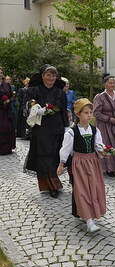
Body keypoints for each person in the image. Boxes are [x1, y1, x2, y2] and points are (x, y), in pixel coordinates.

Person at [57, 98, 106, 232]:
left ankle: (92, 213)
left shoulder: (95, 130)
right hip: (79, 164)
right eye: (86, 112)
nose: (89, 115)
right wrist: (61, 164)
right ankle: (89, 221)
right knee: (82, 191)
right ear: (78, 114)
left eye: (91, 112)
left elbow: (98, 146)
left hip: (93, 163)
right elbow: (65, 149)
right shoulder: (72, 132)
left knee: (94, 189)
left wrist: (104, 151)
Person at [24, 65, 69, 198]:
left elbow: (63, 111)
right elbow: (26, 105)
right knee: (44, 156)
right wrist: (36, 109)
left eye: (53, 75)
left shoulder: (60, 92)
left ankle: (53, 182)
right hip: (41, 128)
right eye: (48, 75)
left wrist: (66, 127)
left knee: (55, 155)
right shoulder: (34, 90)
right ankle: (51, 185)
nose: (51, 78)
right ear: (43, 76)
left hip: (57, 128)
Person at [93, 75, 115, 177]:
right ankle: (108, 168)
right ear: (105, 84)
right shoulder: (100, 97)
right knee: (108, 145)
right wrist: (109, 119)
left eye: (113, 83)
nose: (112, 85)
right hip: (104, 125)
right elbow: (96, 113)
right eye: (110, 83)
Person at [0, 67, 16, 155]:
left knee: (6, 128)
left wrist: (8, 100)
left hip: (6, 111)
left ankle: (6, 149)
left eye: (1, 72)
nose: (0, 74)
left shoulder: (7, 85)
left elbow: (11, 95)